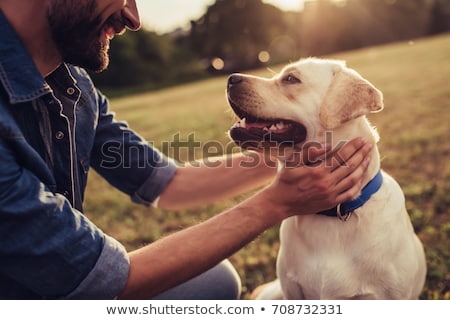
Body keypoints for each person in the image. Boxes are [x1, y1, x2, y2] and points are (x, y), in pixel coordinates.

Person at [0, 0, 373, 300]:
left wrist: (301, 149)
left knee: (215, 282)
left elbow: (168, 183)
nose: (133, 17)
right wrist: (276, 203)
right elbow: (98, 281)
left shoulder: (74, 87)